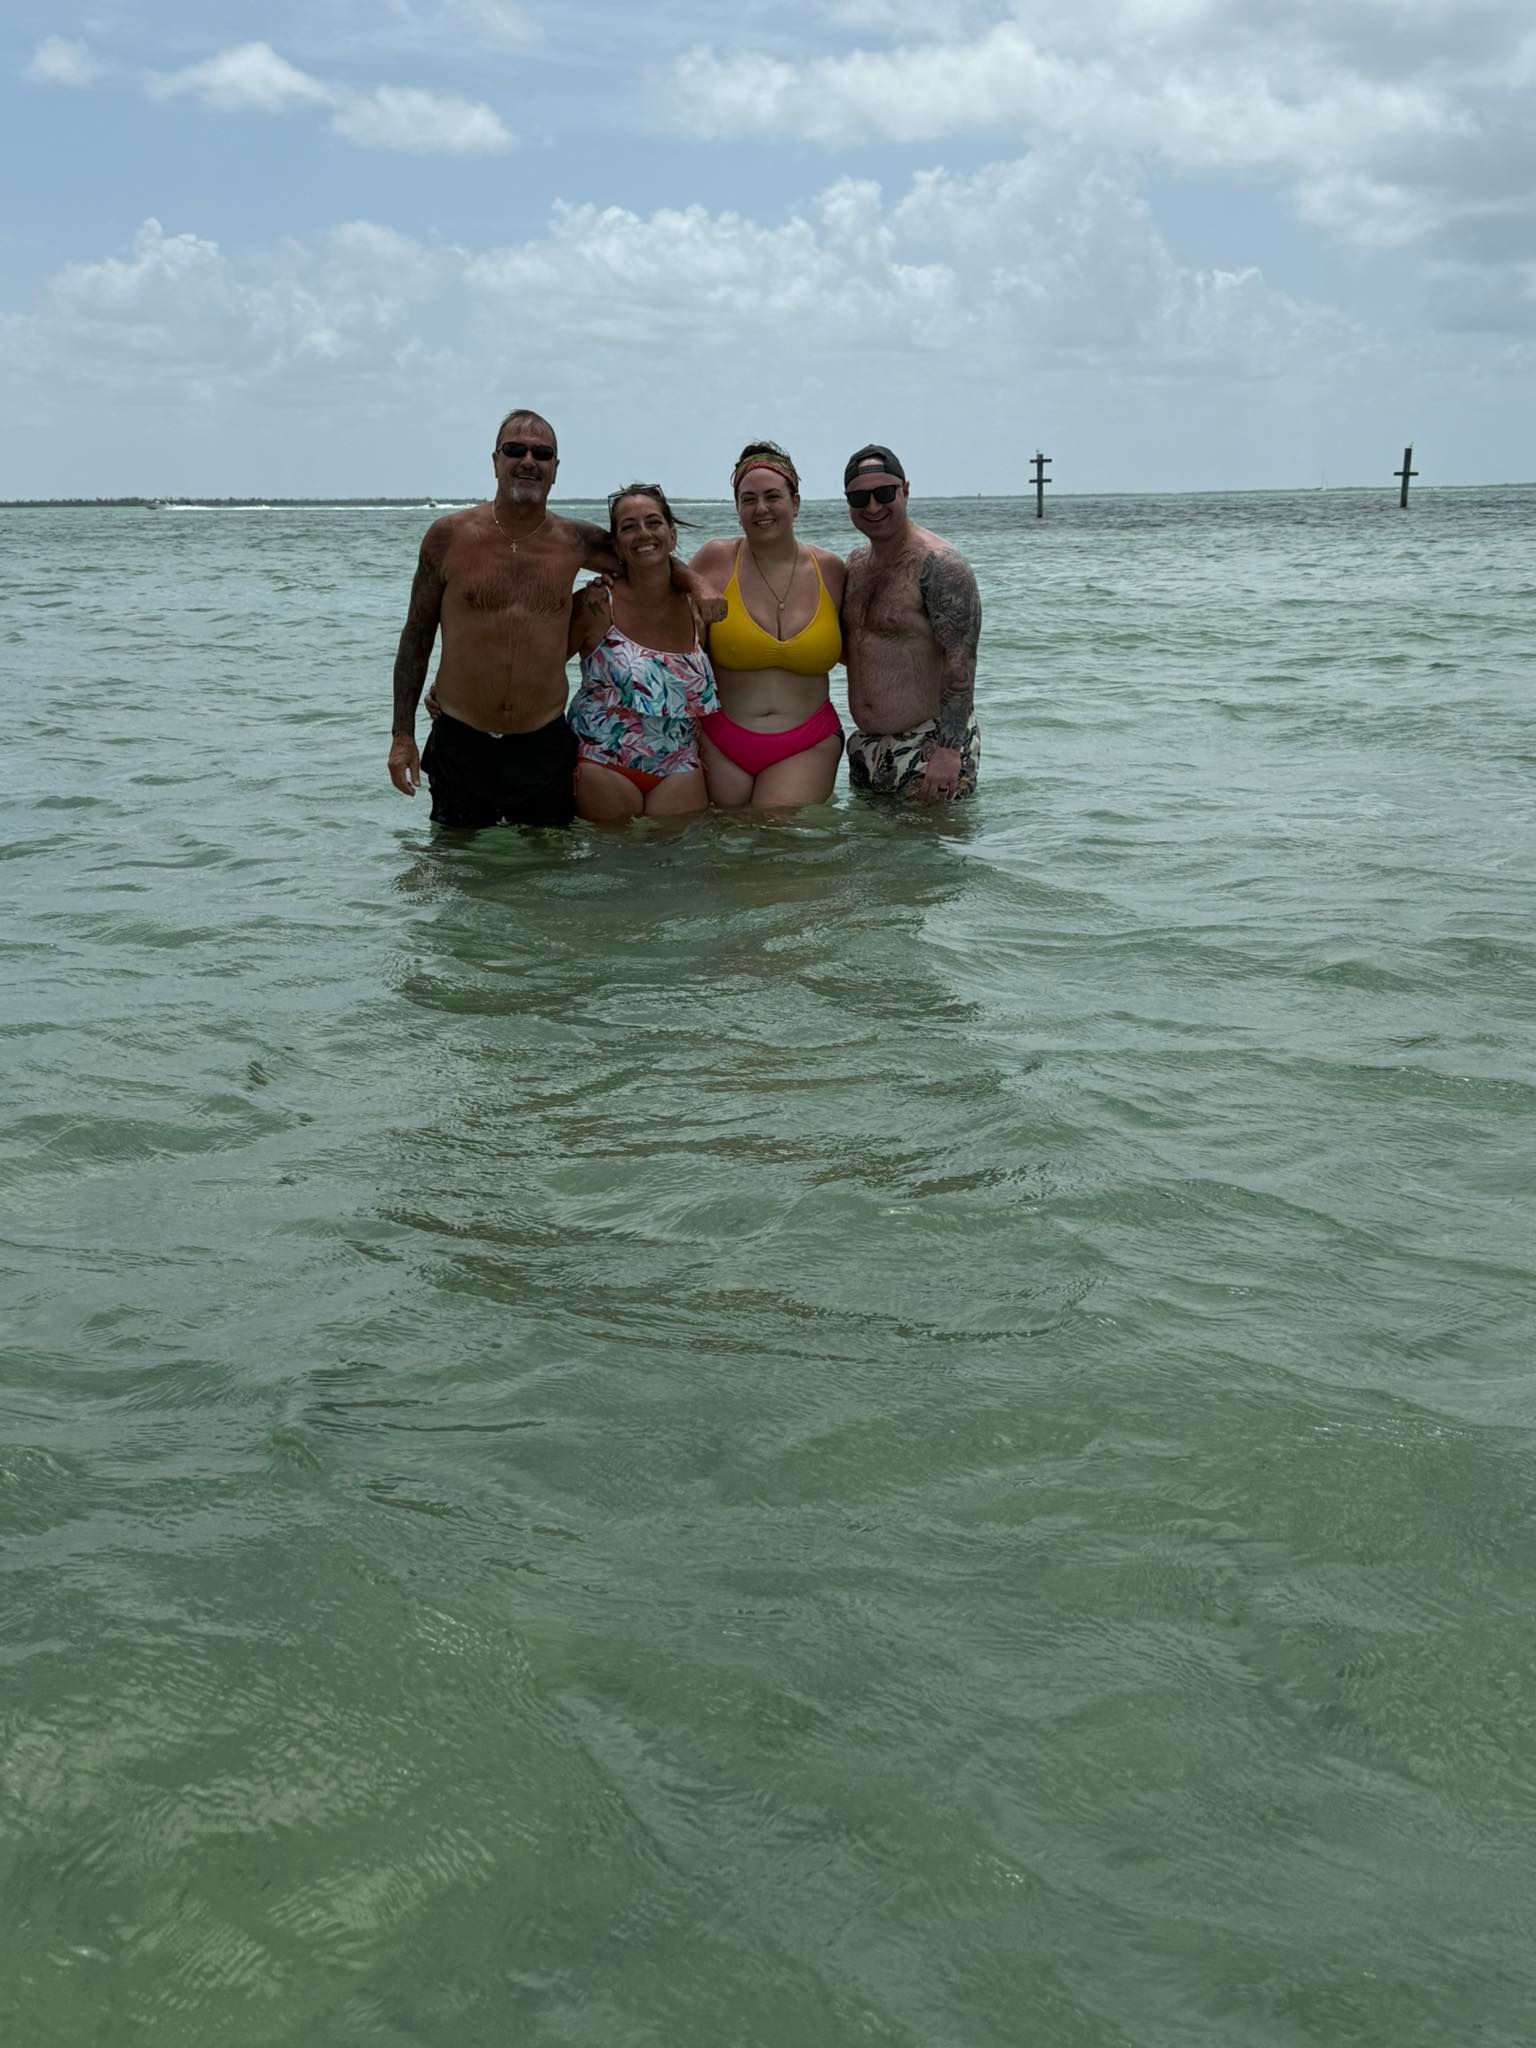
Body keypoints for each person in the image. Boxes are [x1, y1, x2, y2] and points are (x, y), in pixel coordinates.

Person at [387, 407, 718, 828]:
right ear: (495, 461)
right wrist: (402, 735)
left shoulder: (574, 541)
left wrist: (697, 583)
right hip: (461, 738)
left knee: (547, 876)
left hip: (543, 744)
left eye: (542, 454)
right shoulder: (448, 537)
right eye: (515, 450)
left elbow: (645, 553)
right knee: (459, 873)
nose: (528, 461)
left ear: (555, 470)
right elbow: (416, 635)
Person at [688, 441, 846, 810]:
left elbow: (866, 646)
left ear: (796, 502)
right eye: (748, 499)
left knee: (775, 838)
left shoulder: (832, 571)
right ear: (737, 507)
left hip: (807, 740)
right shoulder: (714, 559)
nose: (761, 509)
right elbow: (659, 593)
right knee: (727, 849)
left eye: (772, 496)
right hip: (721, 739)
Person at [840, 444, 982, 802]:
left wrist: (949, 751)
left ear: (905, 490)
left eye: (884, 493)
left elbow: (961, 662)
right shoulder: (855, 566)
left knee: (932, 855)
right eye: (859, 498)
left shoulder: (940, 565)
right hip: (866, 748)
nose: (872, 506)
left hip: (929, 745)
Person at [567, 485, 718, 820]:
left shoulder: (696, 607)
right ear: (617, 544)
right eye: (628, 527)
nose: (643, 534)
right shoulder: (595, 603)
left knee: (681, 869)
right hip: (603, 763)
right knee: (608, 871)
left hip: (680, 765)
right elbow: (542, 669)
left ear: (672, 535)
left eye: (653, 522)